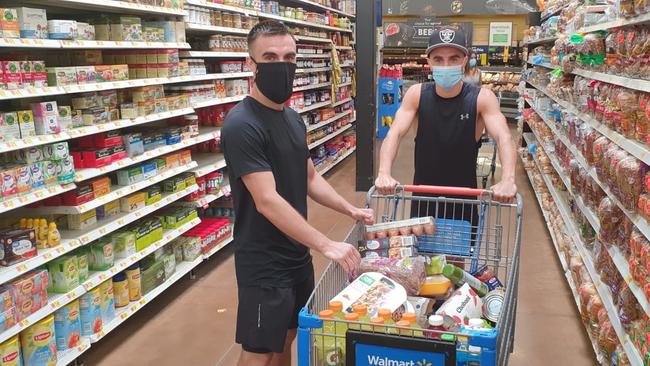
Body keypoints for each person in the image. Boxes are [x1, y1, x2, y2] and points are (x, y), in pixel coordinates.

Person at [221, 20, 374, 366]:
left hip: (295, 254)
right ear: (251, 64)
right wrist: (326, 243)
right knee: (258, 350)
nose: (282, 65)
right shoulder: (242, 124)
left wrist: (349, 210)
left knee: (288, 336)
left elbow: (309, 178)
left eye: (289, 56)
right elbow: (266, 200)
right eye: (270, 57)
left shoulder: (292, 118)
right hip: (263, 262)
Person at [375, 26, 517, 205]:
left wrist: (508, 179)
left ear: (465, 61)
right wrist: (383, 173)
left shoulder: (482, 98)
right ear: (429, 62)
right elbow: (394, 134)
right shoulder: (416, 95)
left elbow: (504, 137)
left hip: (465, 202)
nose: (446, 66)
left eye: (454, 59)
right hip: (422, 198)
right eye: (438, 59)